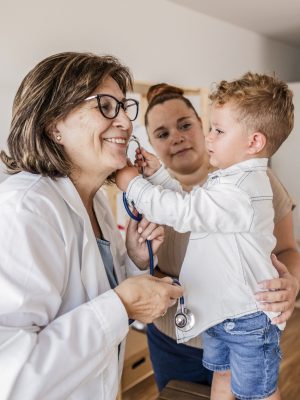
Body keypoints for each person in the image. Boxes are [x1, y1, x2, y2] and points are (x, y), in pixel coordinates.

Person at [0, 52, 183, 400]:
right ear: (54, 124)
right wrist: (122, 306)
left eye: (124, 107)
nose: (126, 123)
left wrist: (132, 259)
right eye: (104, 105)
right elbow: (10, 377)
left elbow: (89, 299)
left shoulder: (95, 200)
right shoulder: (23, 210)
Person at [116, 73, 300, 400]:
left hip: (240, 320)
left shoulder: (241, 188)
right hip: (197, 325)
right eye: (162, 133)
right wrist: (156, 175)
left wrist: (133, 184)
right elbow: (192, 207)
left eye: (209, 128)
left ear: (253, 142)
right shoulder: (222, 185)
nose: (177, 137)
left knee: (258, 393)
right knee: (223, 382)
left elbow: (186, 211)